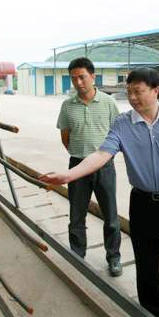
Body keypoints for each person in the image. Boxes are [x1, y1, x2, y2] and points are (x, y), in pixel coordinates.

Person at [42, 68, 159, 317]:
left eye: (138, 92)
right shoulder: (123, 123)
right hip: (141, 202)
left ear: (155, 91)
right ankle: (152, 309)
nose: (133, 98)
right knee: (145, 258)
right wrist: (69, 175)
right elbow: (102, 155)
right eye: (129, 92)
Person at [56, 57, 122, 277]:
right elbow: (65, 136)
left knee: (111, 215)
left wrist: (102, 157)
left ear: (93, 76)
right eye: (73, 78)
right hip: (76, 165)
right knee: (76, 215)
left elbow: (117, 133)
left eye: (82, 77)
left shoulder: (108, 103)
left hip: (105, 167)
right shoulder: (67, 106)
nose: (78, 82)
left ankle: (113, 257)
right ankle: (77, 256)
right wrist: (80, 157)